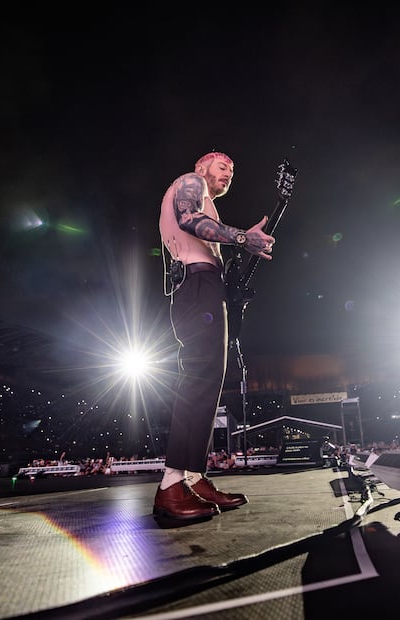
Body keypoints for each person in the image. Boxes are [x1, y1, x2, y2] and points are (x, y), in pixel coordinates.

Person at [154, 151, 275, 520]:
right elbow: (190, 220)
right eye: (223, 165)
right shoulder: (191, 183)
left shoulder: (208, 199)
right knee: (198, 378)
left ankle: (192, 476)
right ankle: (171, 485)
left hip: (204, 286)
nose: (229, 173)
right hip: (195, 284)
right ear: (201, 166)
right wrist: (242, 237)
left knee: (207, 380)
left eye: (233, 171)